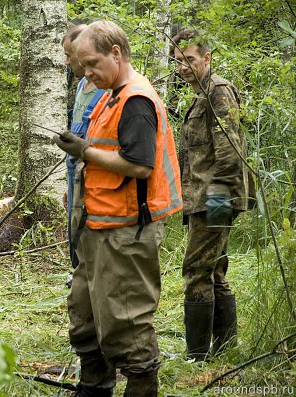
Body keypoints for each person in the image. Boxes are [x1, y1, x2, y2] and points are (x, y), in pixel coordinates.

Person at [53, 20, 183, 396]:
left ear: (116, 52)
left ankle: (142, 386)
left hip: (127, 232)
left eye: (92, 64)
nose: (87, 74)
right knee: (85, 320)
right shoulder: (110, 93)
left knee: (126, 326)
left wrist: (84, 151)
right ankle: (94, 386)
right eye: (82, 66)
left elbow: (140, 165)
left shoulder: (136, 101)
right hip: (97, 228)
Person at [172, 29, 249, 361]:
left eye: (189, 59)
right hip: (205, 195)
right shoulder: (199, 93)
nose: (182, 67)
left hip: (215, 196)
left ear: (206, 57)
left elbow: (229, 151)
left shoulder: (217, 91)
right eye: (177, 61)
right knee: (214, 269)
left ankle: (197, 355)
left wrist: (216, 204)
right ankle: (225, 349)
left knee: (196, 268)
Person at [62, 24, 105, 270]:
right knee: (73, 228)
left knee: (88, 232)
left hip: (92, 173)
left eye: (69, 56)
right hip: (73, 173)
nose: (68, 62)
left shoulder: (104, 90)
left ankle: (88, 275)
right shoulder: (80, 86)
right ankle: (77, 272)